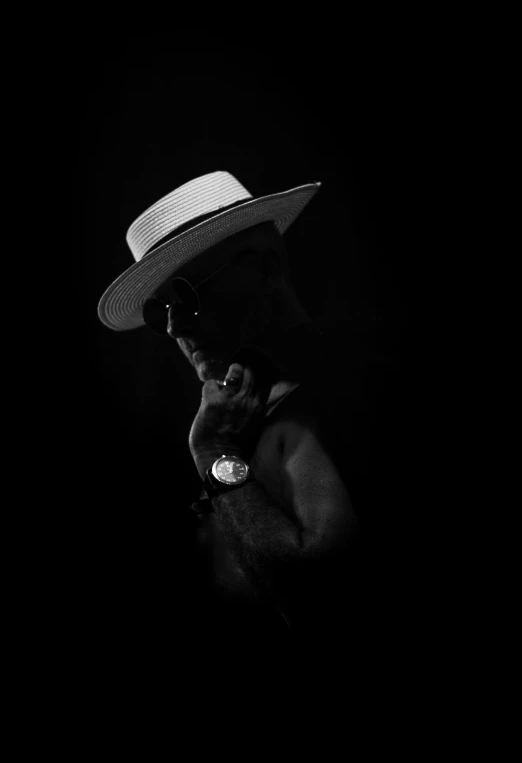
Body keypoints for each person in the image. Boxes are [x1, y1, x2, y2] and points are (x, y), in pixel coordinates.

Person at [98, 171, 381, 672]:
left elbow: (327, 607)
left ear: (267, 267)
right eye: (158, 308)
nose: (173, 327)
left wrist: (212, 454)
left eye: (186, 294)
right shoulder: (248, 410)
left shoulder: (341, 385)